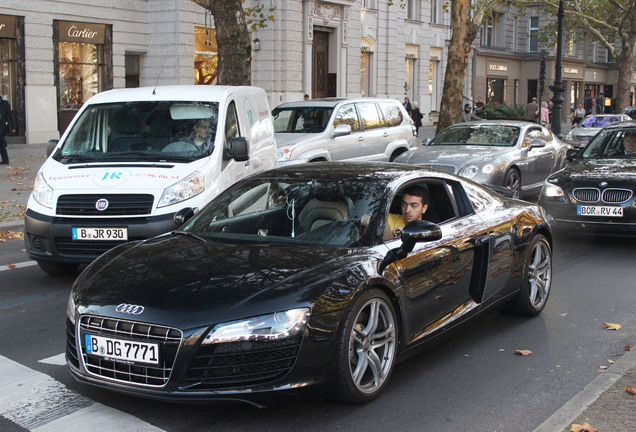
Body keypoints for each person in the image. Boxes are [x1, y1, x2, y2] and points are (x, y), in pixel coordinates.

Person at [0, 96, 16, 165]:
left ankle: (5, 160)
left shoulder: (5, 104)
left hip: (2, 126)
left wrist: (13, 127)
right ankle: (5, 160)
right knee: (1, 143)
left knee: (1, 141)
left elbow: (10, 115)